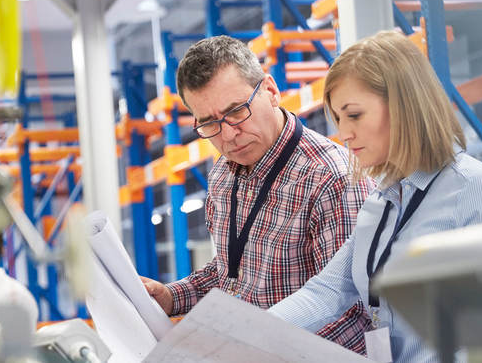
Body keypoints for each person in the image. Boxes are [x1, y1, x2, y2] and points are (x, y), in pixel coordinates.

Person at [268, 30, 482, 362]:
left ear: (403, 106)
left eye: (354, 115)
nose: (344, 133)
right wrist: (238, 330)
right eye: (339, 119)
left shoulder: (475, 188)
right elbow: (326, 292)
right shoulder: (380, 204)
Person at [143, 35, 374, 352]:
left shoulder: (331, 180)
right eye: (209, 123)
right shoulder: (224, 174)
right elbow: (230, 273)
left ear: (270, 91)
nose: (227, 135)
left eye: (236, 111)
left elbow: (353, 314)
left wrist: (256, 346)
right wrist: (171, 297)